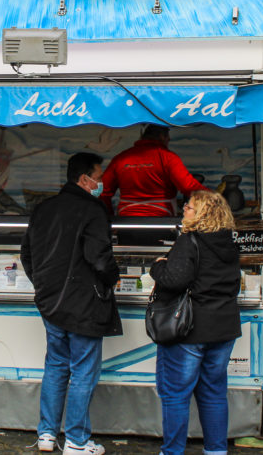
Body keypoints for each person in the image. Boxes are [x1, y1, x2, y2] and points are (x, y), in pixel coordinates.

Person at [20, 152, 122, 455]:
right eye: (100, 178)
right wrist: (112, 278)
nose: (102, 184)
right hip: (84, 304)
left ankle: (47, 435)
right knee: (83, 370)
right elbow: (100, 259)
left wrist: (42, 286)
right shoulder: (93, 210)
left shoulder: (43, 209)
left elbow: (26, 254)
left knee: (55, 366)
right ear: (84, 179)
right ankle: (77, 441)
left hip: (50, 303)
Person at [149, 190, 241, 455]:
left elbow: (174, 280)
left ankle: (172, 451)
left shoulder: (189, 241)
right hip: (223, 327)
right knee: (213, 393)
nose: (184, 210)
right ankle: (216, 451)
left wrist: (158, 266)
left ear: (202, 213)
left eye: (188, 207)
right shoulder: (230, 243)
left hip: (189, 329)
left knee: (176, 394)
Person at [99, 124, 208, 218]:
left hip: (125, 220)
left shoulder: (120, 158)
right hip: (161, 220)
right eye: (168, 138)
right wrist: (217, 197)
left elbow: (102, 192)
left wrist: (109, 217)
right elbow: (189, 187)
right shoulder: (168, 157)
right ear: (162, 136)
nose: (168, 141)